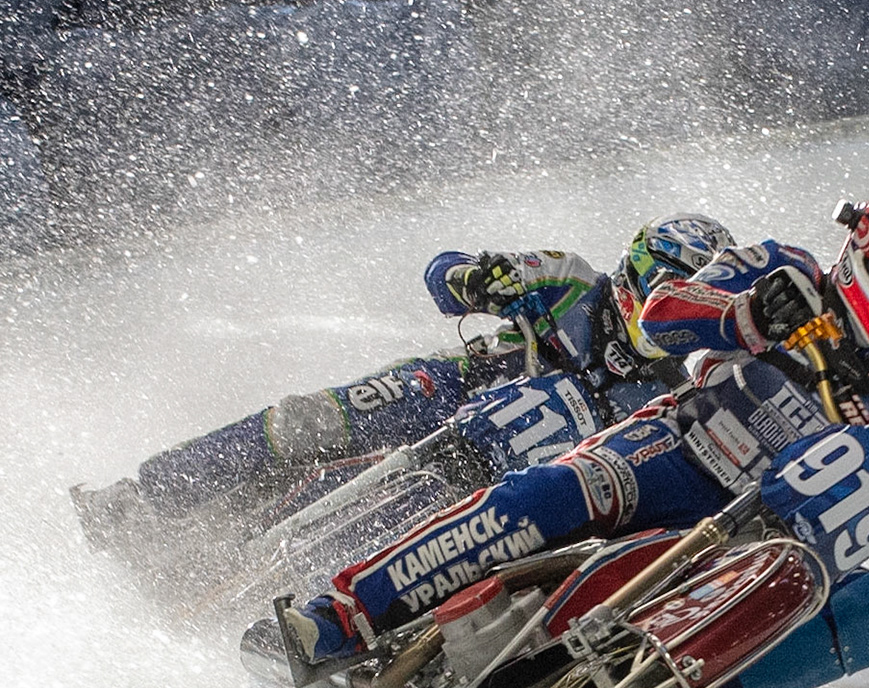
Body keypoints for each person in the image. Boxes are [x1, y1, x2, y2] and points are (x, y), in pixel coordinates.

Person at [263, 180, 869, 688]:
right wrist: (747, 319)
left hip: (767, 539)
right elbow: (663, 313)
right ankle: (337, 618)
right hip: (676, 450)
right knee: (546, 494)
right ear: (863, 245)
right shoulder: (785, 268)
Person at [72, 213, 735, 551]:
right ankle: (148, 495)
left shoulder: (679, 386)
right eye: (669, 286)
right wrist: (476, 278)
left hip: (510, 475)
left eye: (693, 297)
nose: (672, 306)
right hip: (447, 390)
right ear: (639, 271)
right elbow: (443, 273)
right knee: (310, 418)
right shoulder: (569, 278)